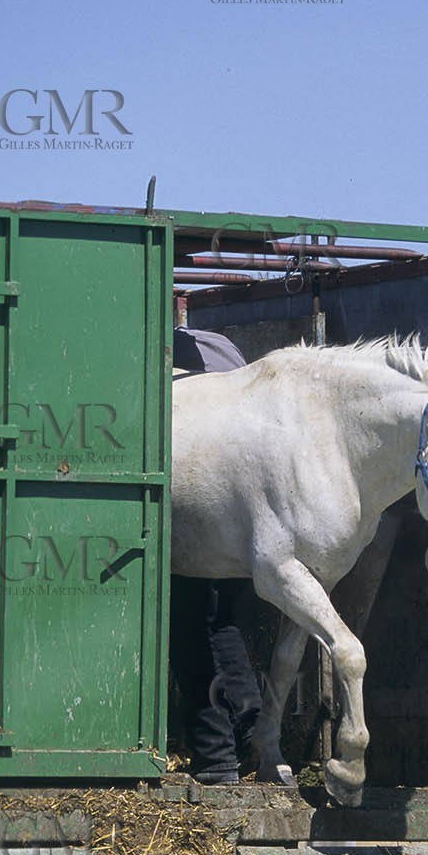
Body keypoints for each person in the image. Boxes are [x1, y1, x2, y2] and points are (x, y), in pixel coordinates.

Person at [169, 325, 262, 784]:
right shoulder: (221, 345)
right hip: (238, 516)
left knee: (189, 625)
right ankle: (246, 731)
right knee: (220, 621)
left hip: (189, 510)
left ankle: (215, 757)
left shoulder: (148, 354)